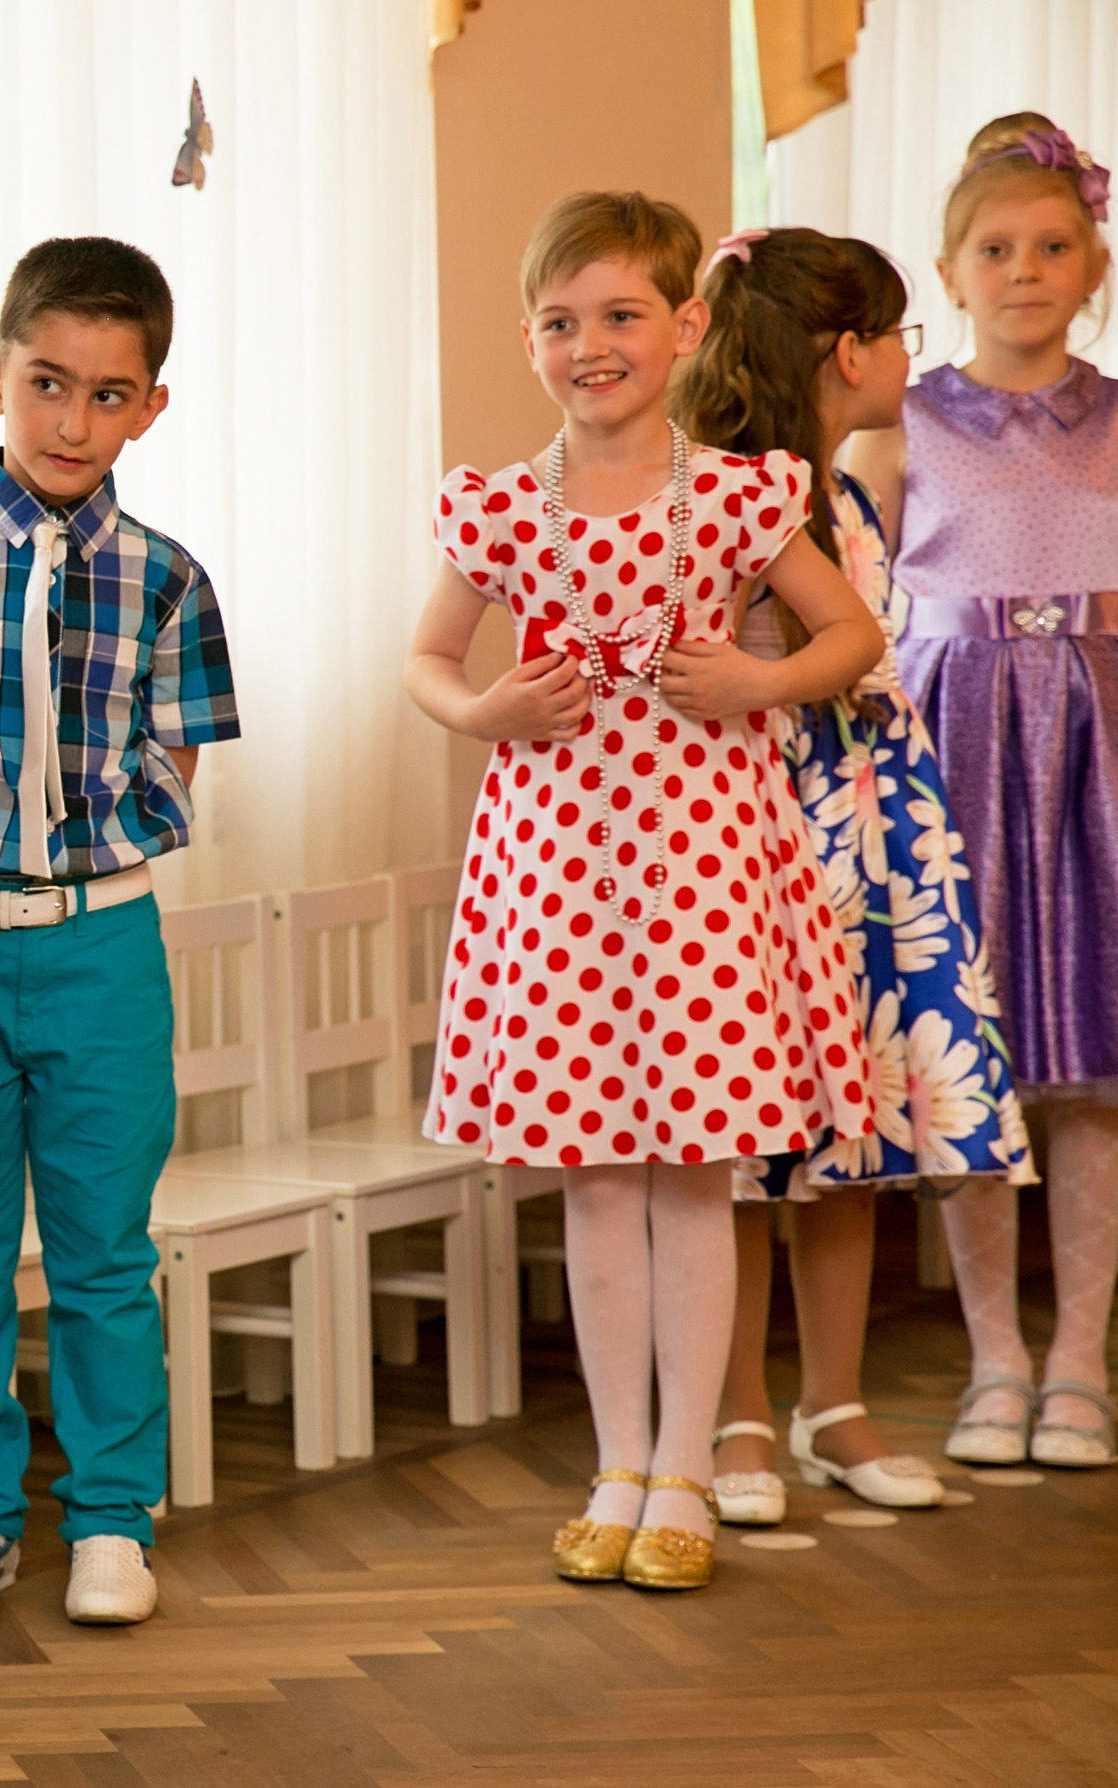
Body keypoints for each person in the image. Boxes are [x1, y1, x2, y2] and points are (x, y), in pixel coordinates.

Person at [404, 191, 885, 1591]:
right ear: (529, 340)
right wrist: (485, 708)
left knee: (694, 1178)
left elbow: (849, 633)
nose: (590, 345)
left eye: (621, 316)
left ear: (683, 327)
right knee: (599, 1181)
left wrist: (759, 679)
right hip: (559, 879)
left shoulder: (739, 496)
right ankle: (617, 1459)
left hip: (707, 875)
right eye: (562, 322)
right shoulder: (497, 507)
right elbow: (429, 663)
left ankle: (688, 1462)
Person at [0, 236, 241, 1627]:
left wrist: (99, 824)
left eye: (109, 394)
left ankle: (109, 1515)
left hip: (101, 950)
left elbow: (177, 764)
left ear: (150, 404)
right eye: (47, 385)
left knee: (101, 1247)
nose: (73, 421)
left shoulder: (168, 578)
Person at [671, 226, 1034, 1525]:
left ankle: (835, 1404)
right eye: (894, 335)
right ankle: (734, 1416)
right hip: (760, 845)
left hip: (873, 842)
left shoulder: (855, 495)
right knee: (746, 1144)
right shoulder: (719, 501)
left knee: (851, 1133)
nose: (905, 360)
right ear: (844, 354)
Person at [842, 113, 1118, 1473]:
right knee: (973, 1063)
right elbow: (846, 604)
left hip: (1103, 760)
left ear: (1095, 265)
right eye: (997, 248)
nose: (1027, 268)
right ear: (950, 272)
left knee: (1088, 1072)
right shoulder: (899, 428)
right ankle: (993, 1360)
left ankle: (1080, 1359)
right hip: (952, 757)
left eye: (1054, 245)